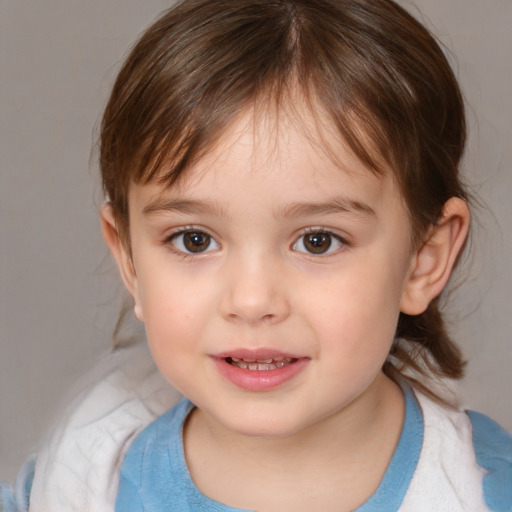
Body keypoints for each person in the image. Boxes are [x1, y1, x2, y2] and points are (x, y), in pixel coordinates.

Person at [2, 0, 511, 510]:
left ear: (424, 257)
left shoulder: (479, 492)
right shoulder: (84, 469)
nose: (251, 301)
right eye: (194, 240)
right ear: (130, 259)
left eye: (317, 240)